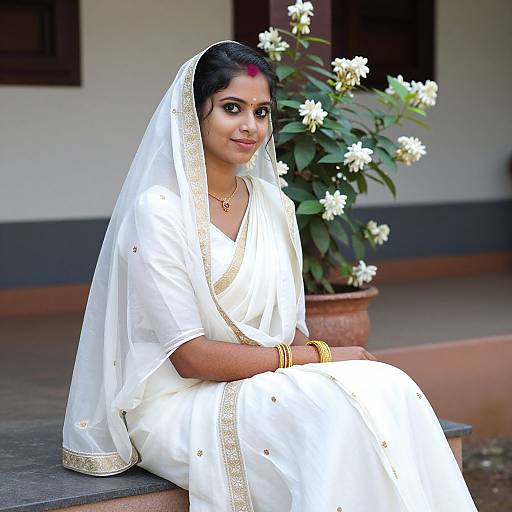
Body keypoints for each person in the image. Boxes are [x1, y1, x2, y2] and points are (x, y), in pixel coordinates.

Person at [62, 40, 478, 511]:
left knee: (387, 385)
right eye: (231, 108)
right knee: (329, 410)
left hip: (262, 380)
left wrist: (318, 361)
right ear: (193, 115)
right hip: (181, 399)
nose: (249, 126)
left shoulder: (273, 205)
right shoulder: (160, 211)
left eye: (261, 112)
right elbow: (191, 358)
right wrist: (322, 355)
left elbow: (290, 323)